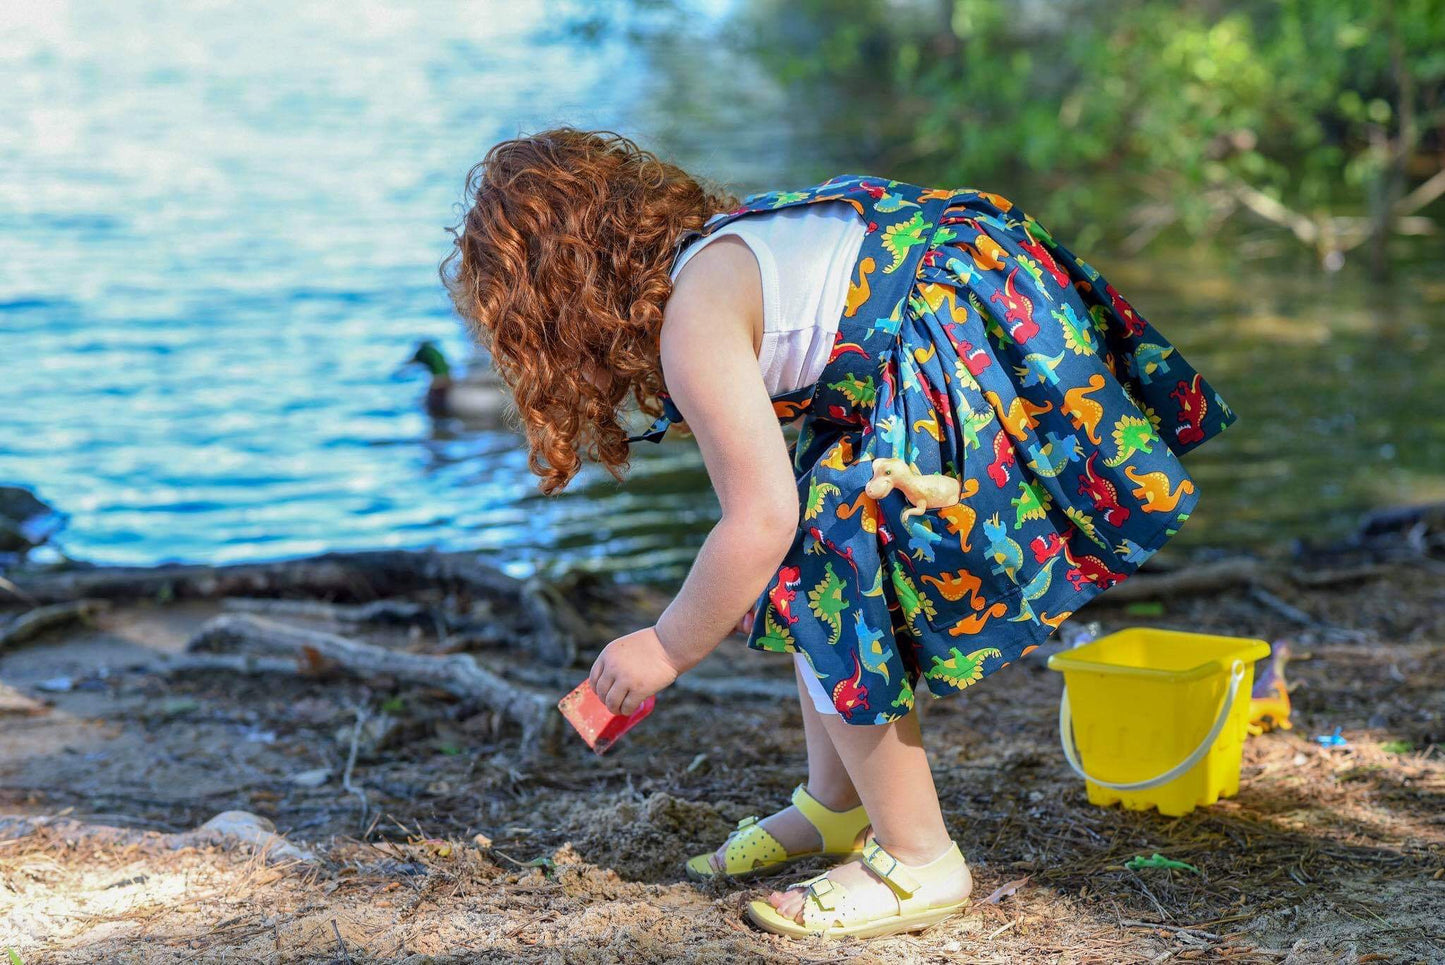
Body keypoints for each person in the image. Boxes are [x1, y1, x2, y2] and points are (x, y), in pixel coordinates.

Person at [440, 127, 1238, 939]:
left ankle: (917, 855)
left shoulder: (693, 322)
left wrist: (666, 645)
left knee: (820, 572)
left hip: (941, 332)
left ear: (559, 302)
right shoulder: (717, 254)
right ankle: (835, 801)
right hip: (964, 287)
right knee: (813, 543)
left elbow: (758, 520)